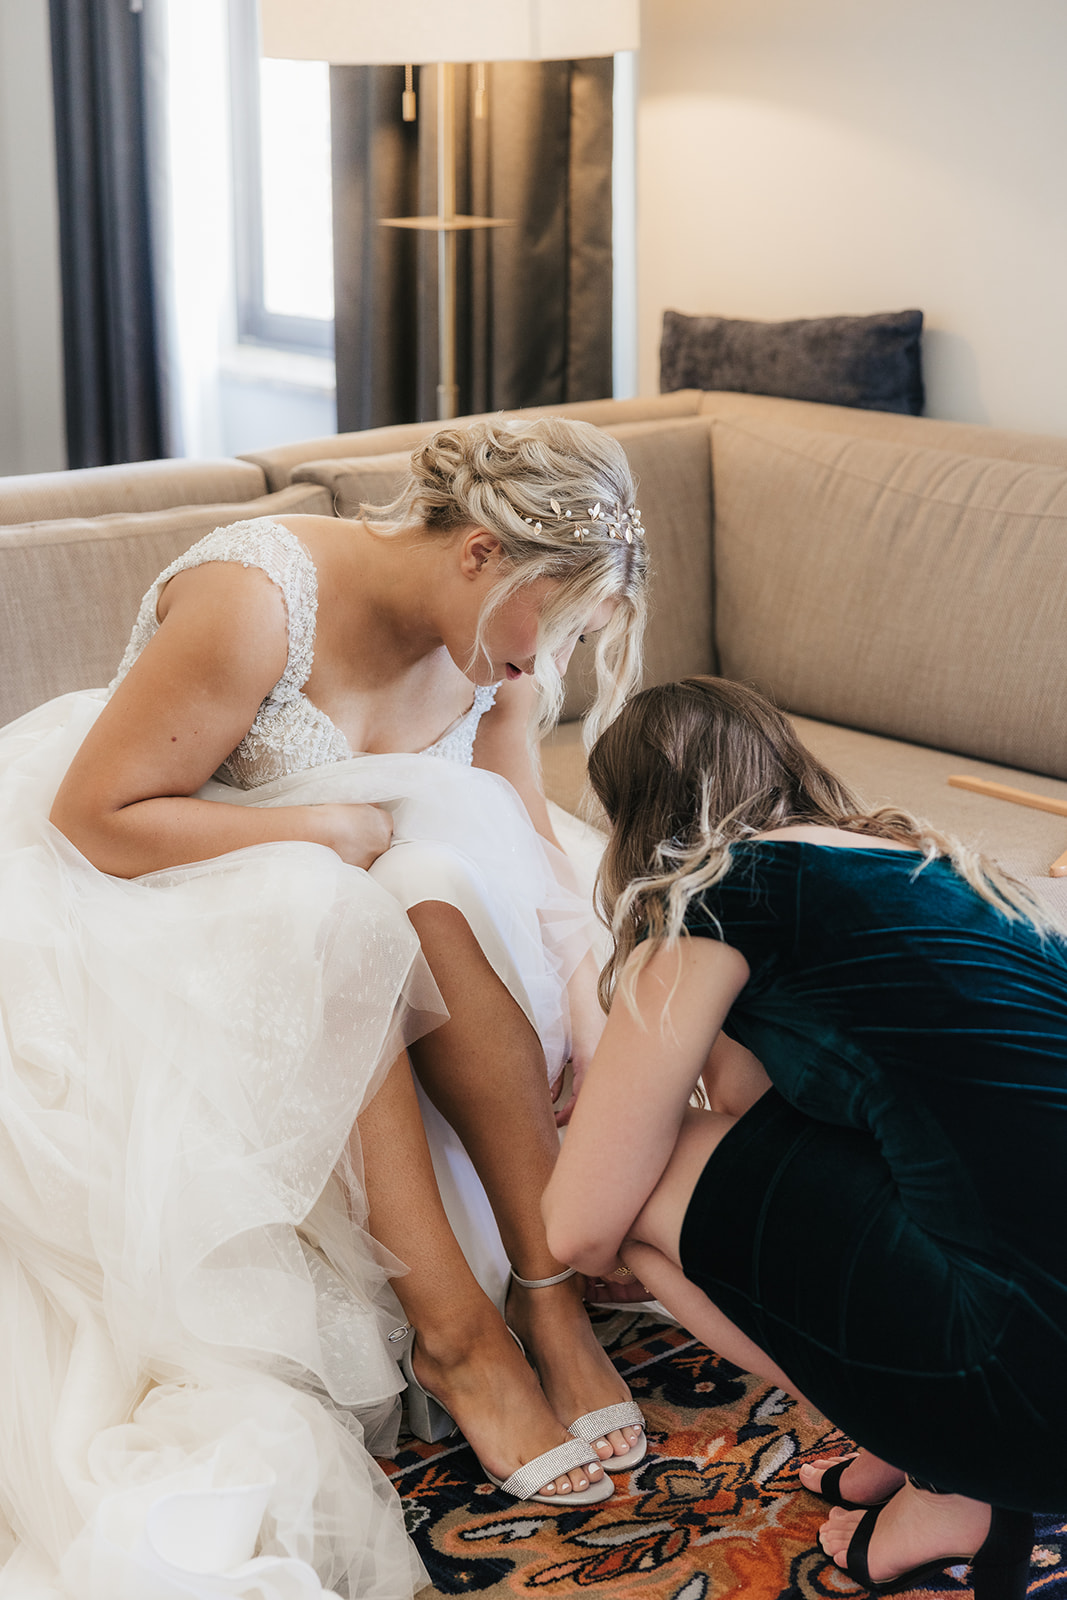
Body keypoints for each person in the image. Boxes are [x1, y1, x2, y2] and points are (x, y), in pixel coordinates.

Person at [0, 417, 650, 1600]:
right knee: (337, 898)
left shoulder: (494, 655)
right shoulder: (256, 597)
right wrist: (308, 828)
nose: (537, 667)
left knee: (433, 880)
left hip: (383, 921)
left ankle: (542, 1294)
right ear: (480, 554)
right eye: (547, 625)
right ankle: (457, 1336)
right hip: (166, 888)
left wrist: (582, 997)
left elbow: (517, 839)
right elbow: (96, 817)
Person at [544, 675, 1067, 1599]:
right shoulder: (924, 865)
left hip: (1030, 1393)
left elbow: (581, 1227)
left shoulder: (714, 889)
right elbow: (778, 1131)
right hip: (1042, 1324)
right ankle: (909, 1440)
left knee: (633, 1192)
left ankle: (949, 1476)